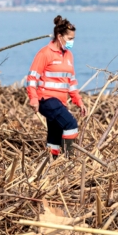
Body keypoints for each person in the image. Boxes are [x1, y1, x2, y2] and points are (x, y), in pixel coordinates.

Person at [26, 15, 83, 158]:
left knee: (55, 137)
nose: (72, 42)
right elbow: (32, 78)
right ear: (60, 37)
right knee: (70, 125)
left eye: (73, 39)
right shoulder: (45, 53)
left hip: (60, 103)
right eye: (69, 39)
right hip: (46, 100)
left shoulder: (69, 56)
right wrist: (33, 99)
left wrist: (79, 102)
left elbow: (71, 82)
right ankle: (68, 161)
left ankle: (51, 164)